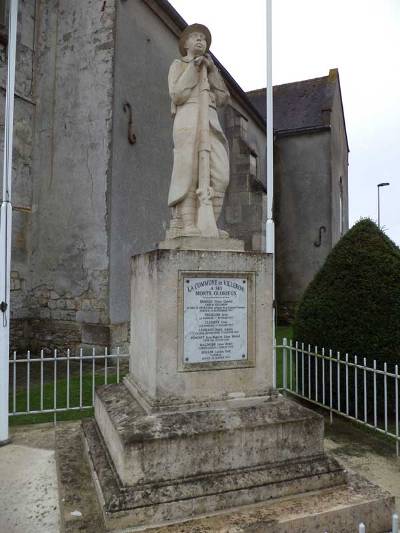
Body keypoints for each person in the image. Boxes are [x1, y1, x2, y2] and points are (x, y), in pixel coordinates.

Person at [167, 23, 230, 238]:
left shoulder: (211, 69)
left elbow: (223, 98)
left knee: (220, 176)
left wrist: (211, 71)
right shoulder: (179, 65)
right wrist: (194, 67)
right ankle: (187, 224)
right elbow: (177, 95)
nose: (200, 40)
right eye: (195, 37)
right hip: (188, 118)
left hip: (210, 121)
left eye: (203, 38)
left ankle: (209, 226)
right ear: (185, 44)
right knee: (188, 171)